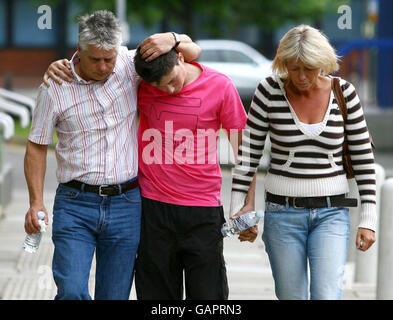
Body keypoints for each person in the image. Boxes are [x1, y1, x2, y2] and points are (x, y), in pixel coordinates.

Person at [24, 10, 200, 300]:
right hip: (75, 204)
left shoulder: (129, 65)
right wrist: (36, 202)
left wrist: (172, 38)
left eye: (109, 58)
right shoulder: (54, 86)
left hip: (126, 204)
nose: (104, 66)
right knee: (71, 291)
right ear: (79, 50)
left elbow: (193, 53)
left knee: (114, 296)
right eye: (96, 59)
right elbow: (36, 145)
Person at [229, 24, 377, 300]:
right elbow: (248, 154)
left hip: (332, 214)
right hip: (281, 213)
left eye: (308, 68)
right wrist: (239, 210)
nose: (300, 76)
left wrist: (368, 220)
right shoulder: (269, 91)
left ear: (323, 63)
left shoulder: (344, 93)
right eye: (293, 68)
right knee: (290, 296)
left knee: (326, 294)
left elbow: (363, 160)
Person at [133, 47, 248, 299]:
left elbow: (244, 151)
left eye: (173, 80)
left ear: (182, 58)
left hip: (203, 211)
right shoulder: (141, 85)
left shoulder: (220, 86)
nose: (171, 90)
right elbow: (107, 59)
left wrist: (245, 205)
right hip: (153, 208)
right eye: (162, 87)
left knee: (209, 298)